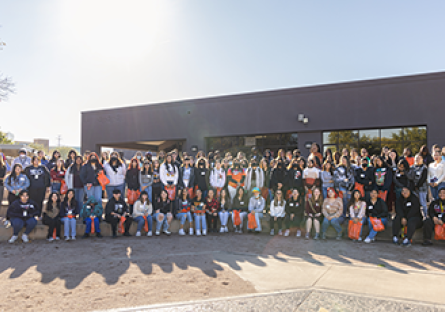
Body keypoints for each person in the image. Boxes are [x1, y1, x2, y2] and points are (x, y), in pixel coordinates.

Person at [411, 154, 428, 218]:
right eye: (416, 158)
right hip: (413, 188)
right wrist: (413, 186)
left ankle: (425, 216)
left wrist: (417, 186)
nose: (417, 159)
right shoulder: (412, 167)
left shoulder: (424, 168)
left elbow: (423, 178)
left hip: (422, 188)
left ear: (422, 159)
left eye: (419, 158)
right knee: (415, 203)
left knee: (423, 203)